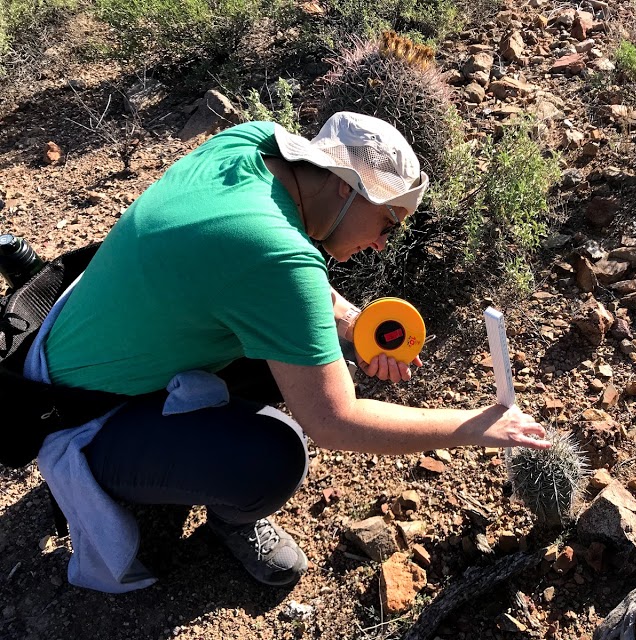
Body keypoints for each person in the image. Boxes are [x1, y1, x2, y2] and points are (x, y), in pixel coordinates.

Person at [30, 112, 550, 593]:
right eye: (387, 224)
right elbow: (335, 421)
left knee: (298, 354)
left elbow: (256, 268)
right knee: (276, 456)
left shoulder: (253, 143)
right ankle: (208, 508)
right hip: (79, 416)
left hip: (71, 345)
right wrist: (477, 427)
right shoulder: (276, 255)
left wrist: (352, 325)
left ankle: (173, 460)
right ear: (347, 189)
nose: (382, 245)